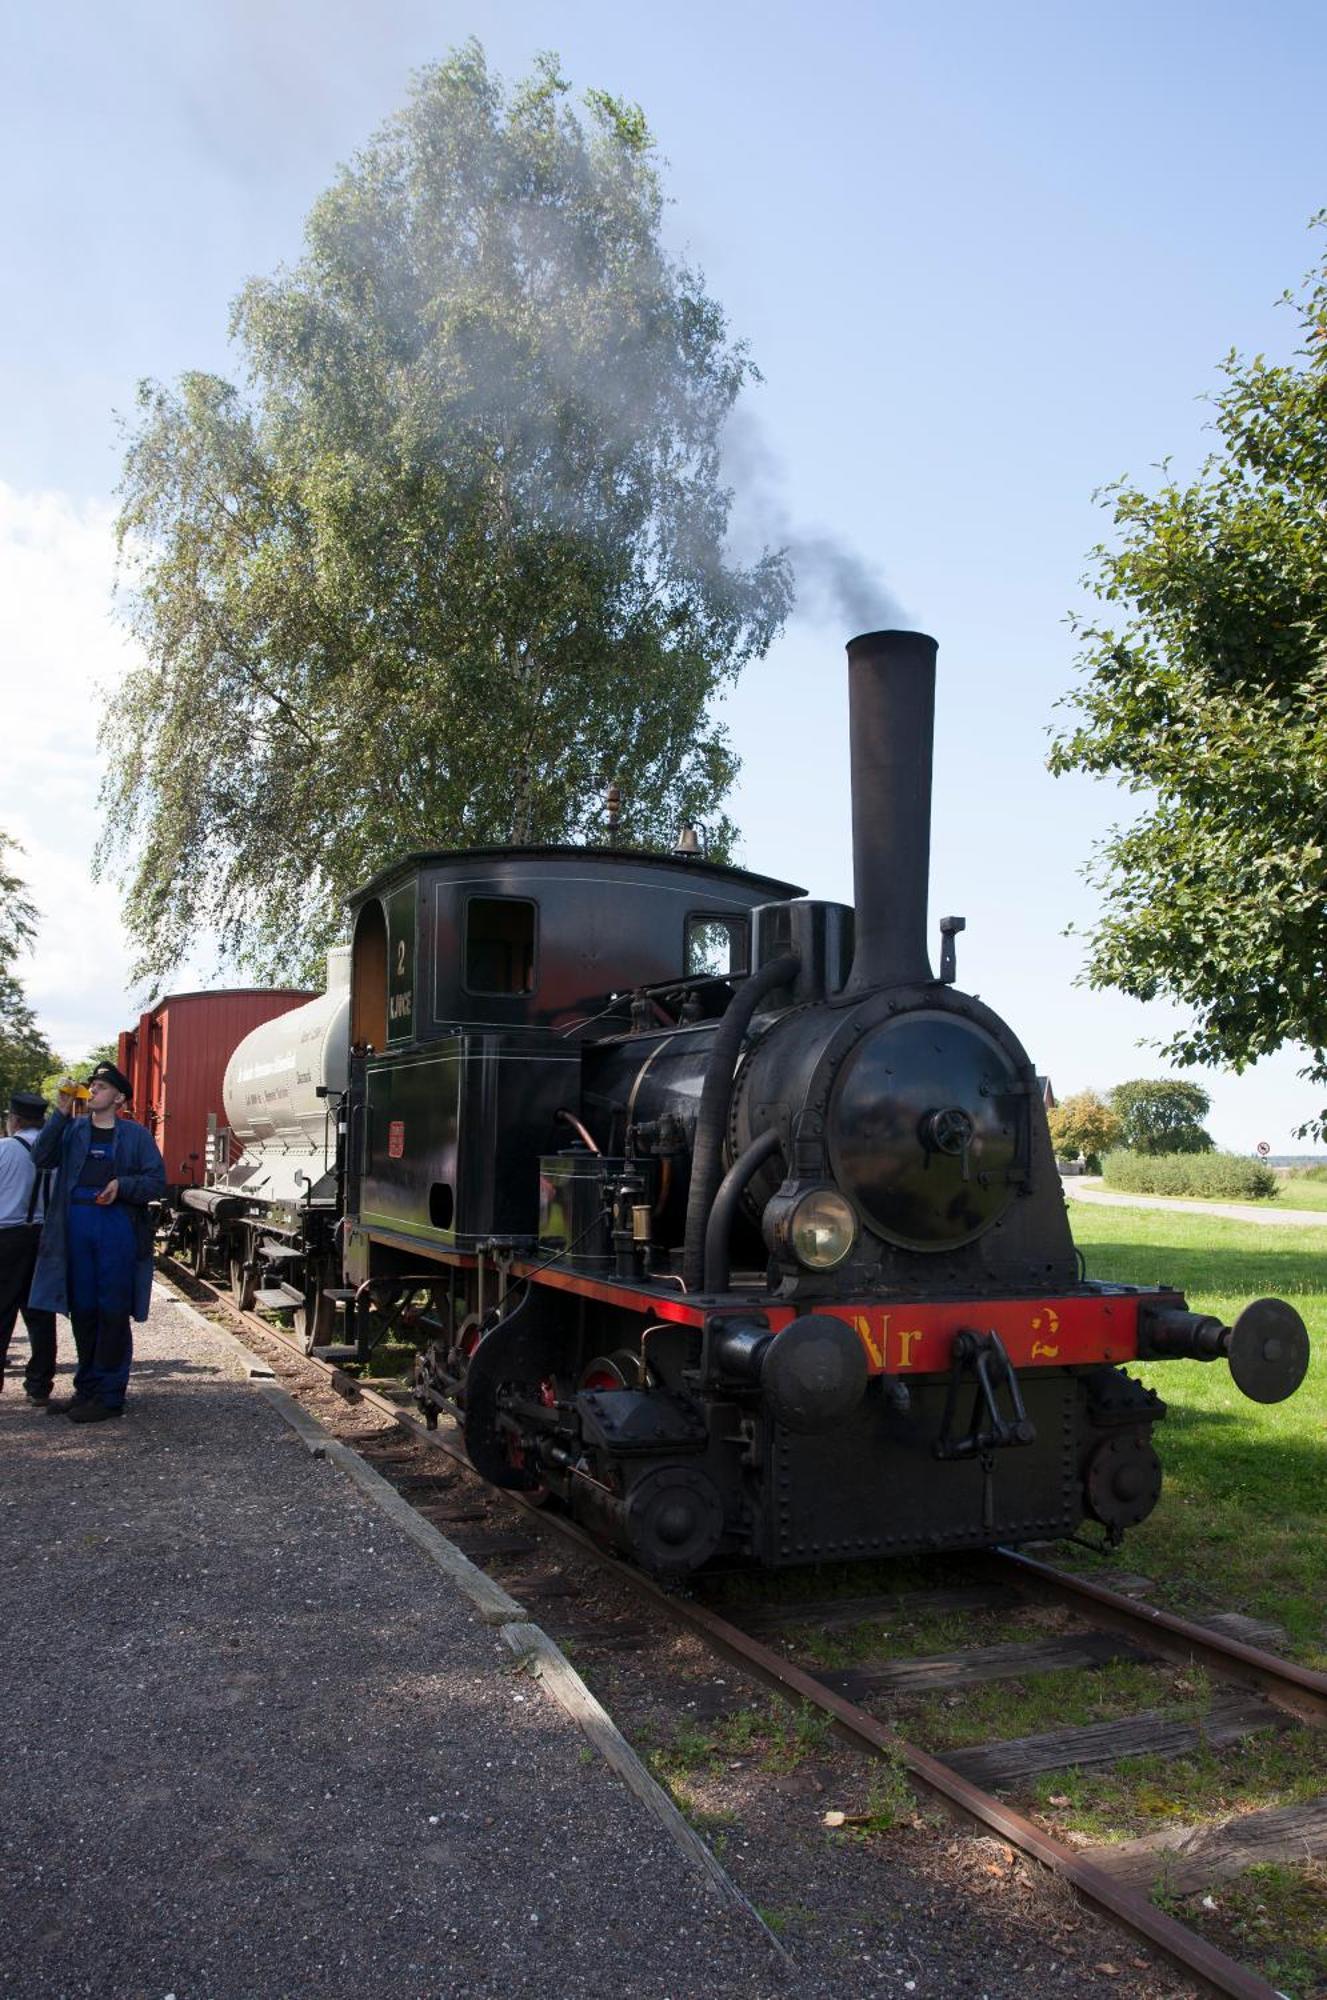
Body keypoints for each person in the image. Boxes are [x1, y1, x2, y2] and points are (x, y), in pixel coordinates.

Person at [30, 1060, 165, 1423]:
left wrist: (123, 1185)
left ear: (119, 1097)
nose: (93, 1090)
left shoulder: (135, 1135)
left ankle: (109, 1396)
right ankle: (86, 1388)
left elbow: (156, 1180)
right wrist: (59, 1111)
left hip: (115, 1224)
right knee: (83, 1309)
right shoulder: (72, 1129)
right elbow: (41, 1157)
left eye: (101, 1087)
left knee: (112, 1310)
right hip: (76, 1224)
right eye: (91, 1085)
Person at [0, 1089, 59, 1402]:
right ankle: (38, 1385)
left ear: (15, 1119)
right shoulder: (55, 1151)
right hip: (44, 1237)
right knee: (40, 1314)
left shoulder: (4, 1149)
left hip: (7, 1237)